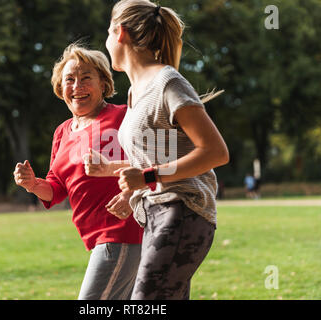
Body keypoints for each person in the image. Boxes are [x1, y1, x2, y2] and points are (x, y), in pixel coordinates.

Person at [86, 0, 230, 300]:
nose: (107, 42)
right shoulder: (135, 90)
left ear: (120, 32)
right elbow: (164, 154)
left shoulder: (167, 82)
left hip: (182, 211)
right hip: (157, 214)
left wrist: (149, 177)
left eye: (107, 34)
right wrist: (115, 172)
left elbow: (215, 152)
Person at [13, 43, 143, 300]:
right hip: (97, 239)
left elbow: (155, 163)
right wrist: (32, 184)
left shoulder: (124, 117)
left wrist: (130, 193)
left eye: (86, 78)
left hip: (123, 232)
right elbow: (56, 188)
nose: (77, 86)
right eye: (69, 79)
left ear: (104, 84)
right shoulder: (62, 132)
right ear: (61, 89)